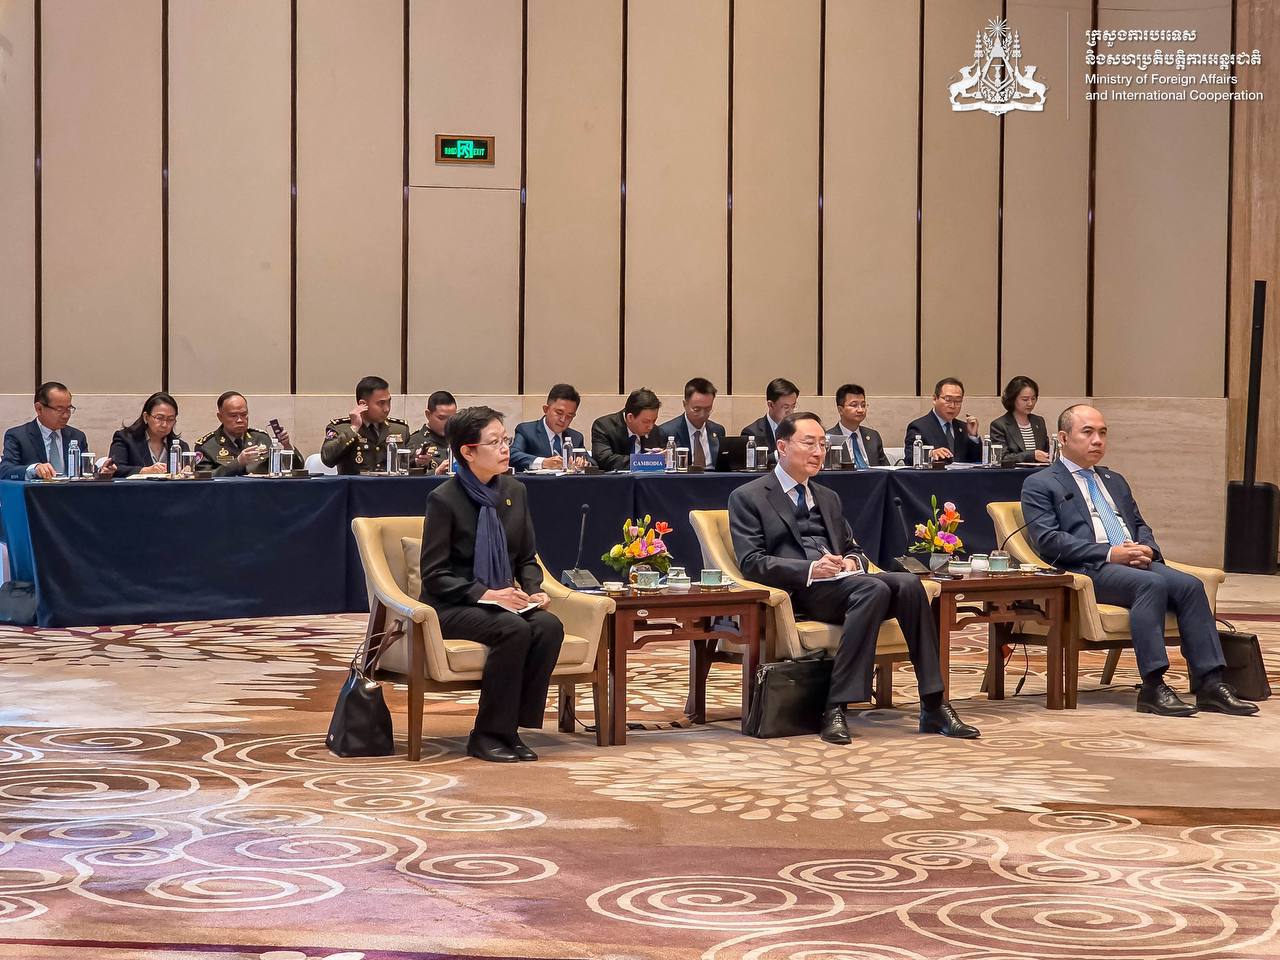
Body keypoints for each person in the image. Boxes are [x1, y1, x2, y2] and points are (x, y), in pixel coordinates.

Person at [728, 412, 979, 743]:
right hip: (801, 591)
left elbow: (853, 549)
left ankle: (934, 704)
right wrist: (811, 569)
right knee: (872, 589)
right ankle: (835, 706)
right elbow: (751, 562)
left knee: (908, 584)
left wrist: (849, 561)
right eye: (809, 443)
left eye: (823, 444)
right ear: (782, 446)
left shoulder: (827, 497)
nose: (818, 452)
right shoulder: (748, 496)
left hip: (846, 586)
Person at [1021, 404, 1256, 717]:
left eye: (1103, 433)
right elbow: (1049, 541)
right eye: (1087, 432)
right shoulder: (1041, 483)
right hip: (1088, 569)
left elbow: (1139, 524)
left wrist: (1147, 549)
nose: (1097, 440)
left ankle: (1210, 684)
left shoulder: (1113, 479)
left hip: (1132, 561)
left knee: (1190, 586)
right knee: (1151, 585)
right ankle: (1153, 687)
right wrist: (1110, 553)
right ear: (1063, 438)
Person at [418, 406, 563, 762]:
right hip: (451, 606)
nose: (504, 449)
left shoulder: (514, 491)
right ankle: (487, 734)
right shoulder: (445, 499)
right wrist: (486, 594)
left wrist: (534, 590)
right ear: (468, 452)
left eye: (506, 440)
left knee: (548, 626)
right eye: (494, 442)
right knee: (512, 629)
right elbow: (434, 574)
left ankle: (511, 728)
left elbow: (526, 558)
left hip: (502, 600)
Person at [0, 382, 116, 481]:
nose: (66, 415)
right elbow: (5, 471)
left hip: (71, 495)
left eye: (69, 409)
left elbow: (84, 471)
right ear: (39, 409)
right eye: (59, 410)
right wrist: (34, 469)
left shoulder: (77, 436)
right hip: (36, 496)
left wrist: (102, 472)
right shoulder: (18, 436)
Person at [193, 392, 299, 477]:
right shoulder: (207, 446)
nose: (240, 420)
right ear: (220, 417)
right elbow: (203, 479)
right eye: (233, 416)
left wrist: (287, 446)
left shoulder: (261, 438)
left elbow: (297, 469)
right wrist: (237, 463)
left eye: (244, 414)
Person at [320, 376, 411, 475]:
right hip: (355, 484)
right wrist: (354, 428)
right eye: (381, 403)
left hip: (392, 484)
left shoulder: (400, 429)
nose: (387, 409)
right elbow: (327, 459)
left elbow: (410, 463)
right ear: (363, 404)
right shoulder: (341, 428)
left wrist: (419, 460)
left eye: (389, 402)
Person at [510, 383, 590, 472]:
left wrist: (584, 463)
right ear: (546, 409)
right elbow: (512, 455)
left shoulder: (576, 437)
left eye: (569, 416)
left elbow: (592, 462)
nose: (563, 419)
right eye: (559, 413)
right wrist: (543, 462)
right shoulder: (527, 431)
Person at [109, 392, 190, 478]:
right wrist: (144, 471)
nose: (165, 424)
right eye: (159, 418)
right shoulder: (125, 439)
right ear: (146, 417)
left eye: (170, 419)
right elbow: (115, 469)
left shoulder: (180, 447)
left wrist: (187, 471)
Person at [904, 377, 982, 463]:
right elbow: (909, 458)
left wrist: (973, 436)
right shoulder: (919, 427)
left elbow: (977, 460)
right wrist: (930, 454)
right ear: (934, 399)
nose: (952, 406)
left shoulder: (964, 427)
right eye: (948, 400)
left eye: (958, 401)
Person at [659, 377, 726, 470]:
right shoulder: (667, 432)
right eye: (696, 410)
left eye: (708, 409)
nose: (702, 415)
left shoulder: (718, 430)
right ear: (684, 404)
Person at [590, 388, 664, 471]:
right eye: (645, 421)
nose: (651, 426)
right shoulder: (604, 427)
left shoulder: (655, 431)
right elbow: (604, 460)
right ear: (630, 417)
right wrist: (645, 460)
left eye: (654, 420)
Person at [989, 375, 1050, 466]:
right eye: (1025, 399)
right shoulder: (999, 425)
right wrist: (1031, 455)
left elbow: (1046, 451)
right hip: (1014, 473)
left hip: (1039, 472)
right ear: (1013, 399)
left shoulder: (1039, 421)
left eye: (1033, 399)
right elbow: (1002, 458)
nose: (1030, 403)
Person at [826, 383, 889, 468]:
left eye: (863, 405)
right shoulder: (828, 438)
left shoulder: (873, 436)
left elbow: (886, 469)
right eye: (854, 405)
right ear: (840, 410)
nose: (860, 410)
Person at [740, 378, 799, 465]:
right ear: (770, 405)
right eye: (786, 407)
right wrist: (780, 453)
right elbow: (752, 462)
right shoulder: (752, 433)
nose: (790, 412)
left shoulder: (798, 429)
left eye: (793, 406)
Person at [407, 390, 457, 472]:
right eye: (442, 418)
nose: (448, 423)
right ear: (428, 414)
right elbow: (411, 475)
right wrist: (436, 471)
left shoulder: (460, 439)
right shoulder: (415, 443)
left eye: (452, 418)